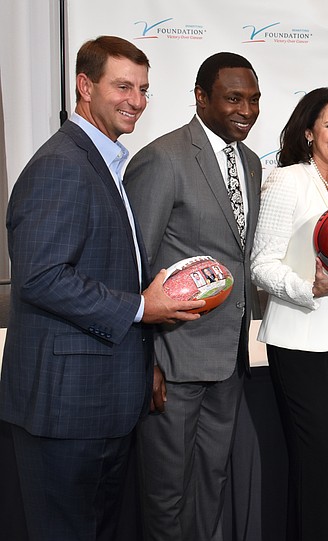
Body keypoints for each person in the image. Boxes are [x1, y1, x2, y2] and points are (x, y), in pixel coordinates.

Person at [0, 36, 203, 541]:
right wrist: (140, 307)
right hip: (65, 409)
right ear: (85, 86)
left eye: (143, 89)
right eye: (123, 86)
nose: (136, 100)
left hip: (103, 401)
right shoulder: (61, 165)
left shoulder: (103, 161)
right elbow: (40, 277)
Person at [124, 52, 262, 541]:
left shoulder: (249, 161)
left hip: (227, 362)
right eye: (232, 98)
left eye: (253, 99)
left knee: (213, 484)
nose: (245, 110)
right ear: (200, 97)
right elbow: (131, 265)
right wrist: (147, 360)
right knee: (167, 496)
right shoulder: (163, 158)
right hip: (172, 361)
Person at [251, 87, 328, 541]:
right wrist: (310, 287)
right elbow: (261, 265)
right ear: (308, 132)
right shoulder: (287, 181)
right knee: (319, 455)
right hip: (300, 335)